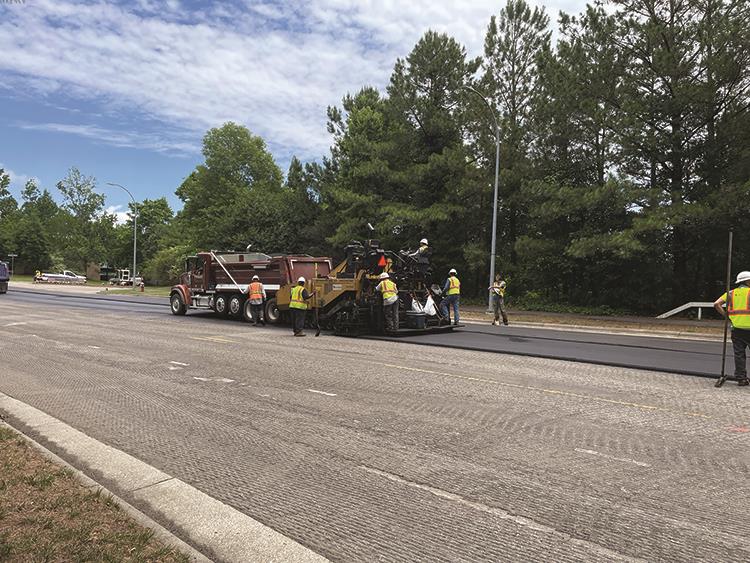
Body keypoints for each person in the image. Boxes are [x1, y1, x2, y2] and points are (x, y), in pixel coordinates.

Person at [714, 270, 750, 386]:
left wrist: (726, 316)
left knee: (739, 354)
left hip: (737, 329)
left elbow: (716, 304)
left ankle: (741, 379)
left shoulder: (731, 293)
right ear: (747, 281)